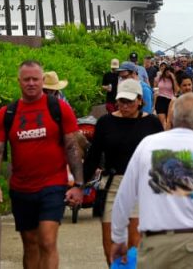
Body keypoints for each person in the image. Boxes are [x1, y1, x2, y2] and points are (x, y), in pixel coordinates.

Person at [109, 92, 193, 269]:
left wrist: (118, 238)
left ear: (172, 116)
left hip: (153, 246)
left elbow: (124, 197)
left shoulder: (148, 145)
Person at [0, 60, 84, 269]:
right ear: (19, 82)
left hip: (52, 185)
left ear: (42, 81)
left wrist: (78, 184)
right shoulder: (7, 114)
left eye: (35, 79)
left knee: (47, 241)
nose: (31, 83)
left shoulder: (59, 109)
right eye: (26, 79)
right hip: (21, 188)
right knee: (30, 244)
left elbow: (72, 147)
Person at [82, 78, 163, 265]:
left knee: (134, 245)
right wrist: (80, 185)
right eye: (121, 101)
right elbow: (94, 156)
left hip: (141, 184)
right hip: (112, 183)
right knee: (110, 245)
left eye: (130, 101)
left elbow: (161, 158)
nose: (125, 105)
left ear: (140, 100)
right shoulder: (105, 123)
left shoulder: (152, 123)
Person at [154, 62, 179, 128]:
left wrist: (173, 79)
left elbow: (176, 91)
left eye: (170, 72)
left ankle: (168, 135)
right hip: (160, 99)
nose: (168, 73)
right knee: (163, 122)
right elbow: (155, 89)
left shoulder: (173, 80)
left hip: (170, 101)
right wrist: (154, 105)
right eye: (167, 71)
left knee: (169, 122)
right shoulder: (159, 78)